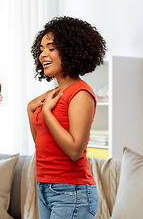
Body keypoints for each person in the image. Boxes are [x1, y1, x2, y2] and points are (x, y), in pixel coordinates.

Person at [27, 16, 106, 219]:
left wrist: (46, 113)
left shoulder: (80, 94)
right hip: (45, 186)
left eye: (50, 48)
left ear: (70, 50)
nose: (43, 54)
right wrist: (30, 110)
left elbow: (73, 150)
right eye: (42, 49)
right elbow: (43, 145)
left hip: (72, 192)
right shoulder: (53, 95)